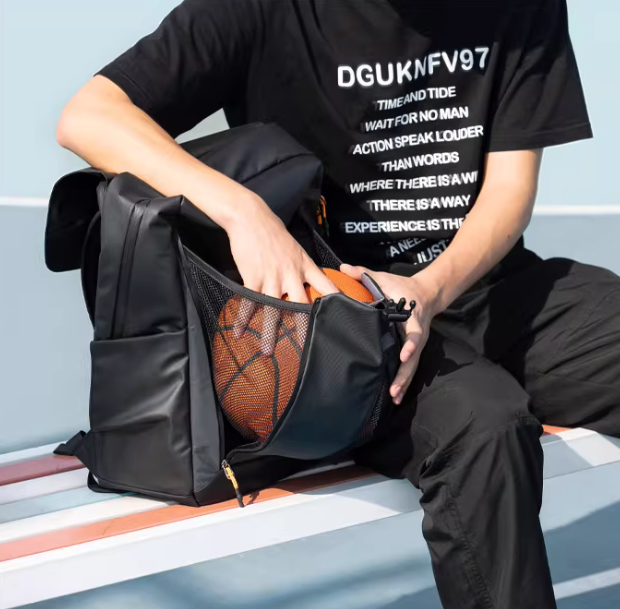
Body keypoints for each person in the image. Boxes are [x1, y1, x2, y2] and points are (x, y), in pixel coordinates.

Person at [56, 1, 620, 607]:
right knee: (485, 428)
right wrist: (243, 211)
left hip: (471, 283)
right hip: (342, 324)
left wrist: (430, 290)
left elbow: (510, 188)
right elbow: (89, 117)